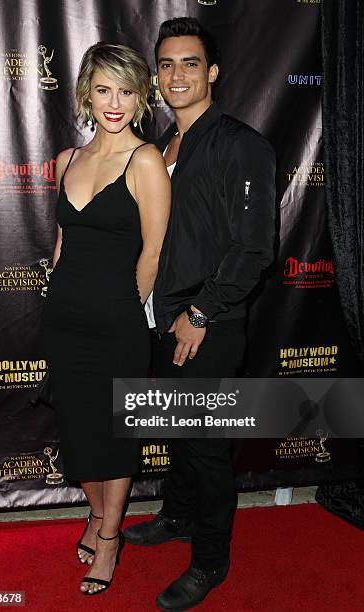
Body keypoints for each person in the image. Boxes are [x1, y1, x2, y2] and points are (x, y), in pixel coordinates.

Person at [124, 17, 276, 611]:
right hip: (161, 320)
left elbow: (255, 247)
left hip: (204, 324)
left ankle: (210, 561)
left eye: (190, 62)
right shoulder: (161, 146)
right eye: (166, 64)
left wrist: (202, 312)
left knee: (208, 447)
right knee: (181, 435)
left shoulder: (241, 144)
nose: (177, 74)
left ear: (212, 71)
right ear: (156, 75)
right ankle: (178, 515)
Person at [41, 42, 170, 595]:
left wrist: (120, 313)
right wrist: (58, 293)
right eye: (103, 89)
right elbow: (63, 243)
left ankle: (111, 535)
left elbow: (152, 256)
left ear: (141, 97)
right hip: (64, 321)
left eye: (126, 90)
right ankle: (95, 513)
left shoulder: (145, 160)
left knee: (115, 435)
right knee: (78, 429)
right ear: (85, 94)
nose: (114, 102)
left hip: (117, 325)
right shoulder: (68, 160)